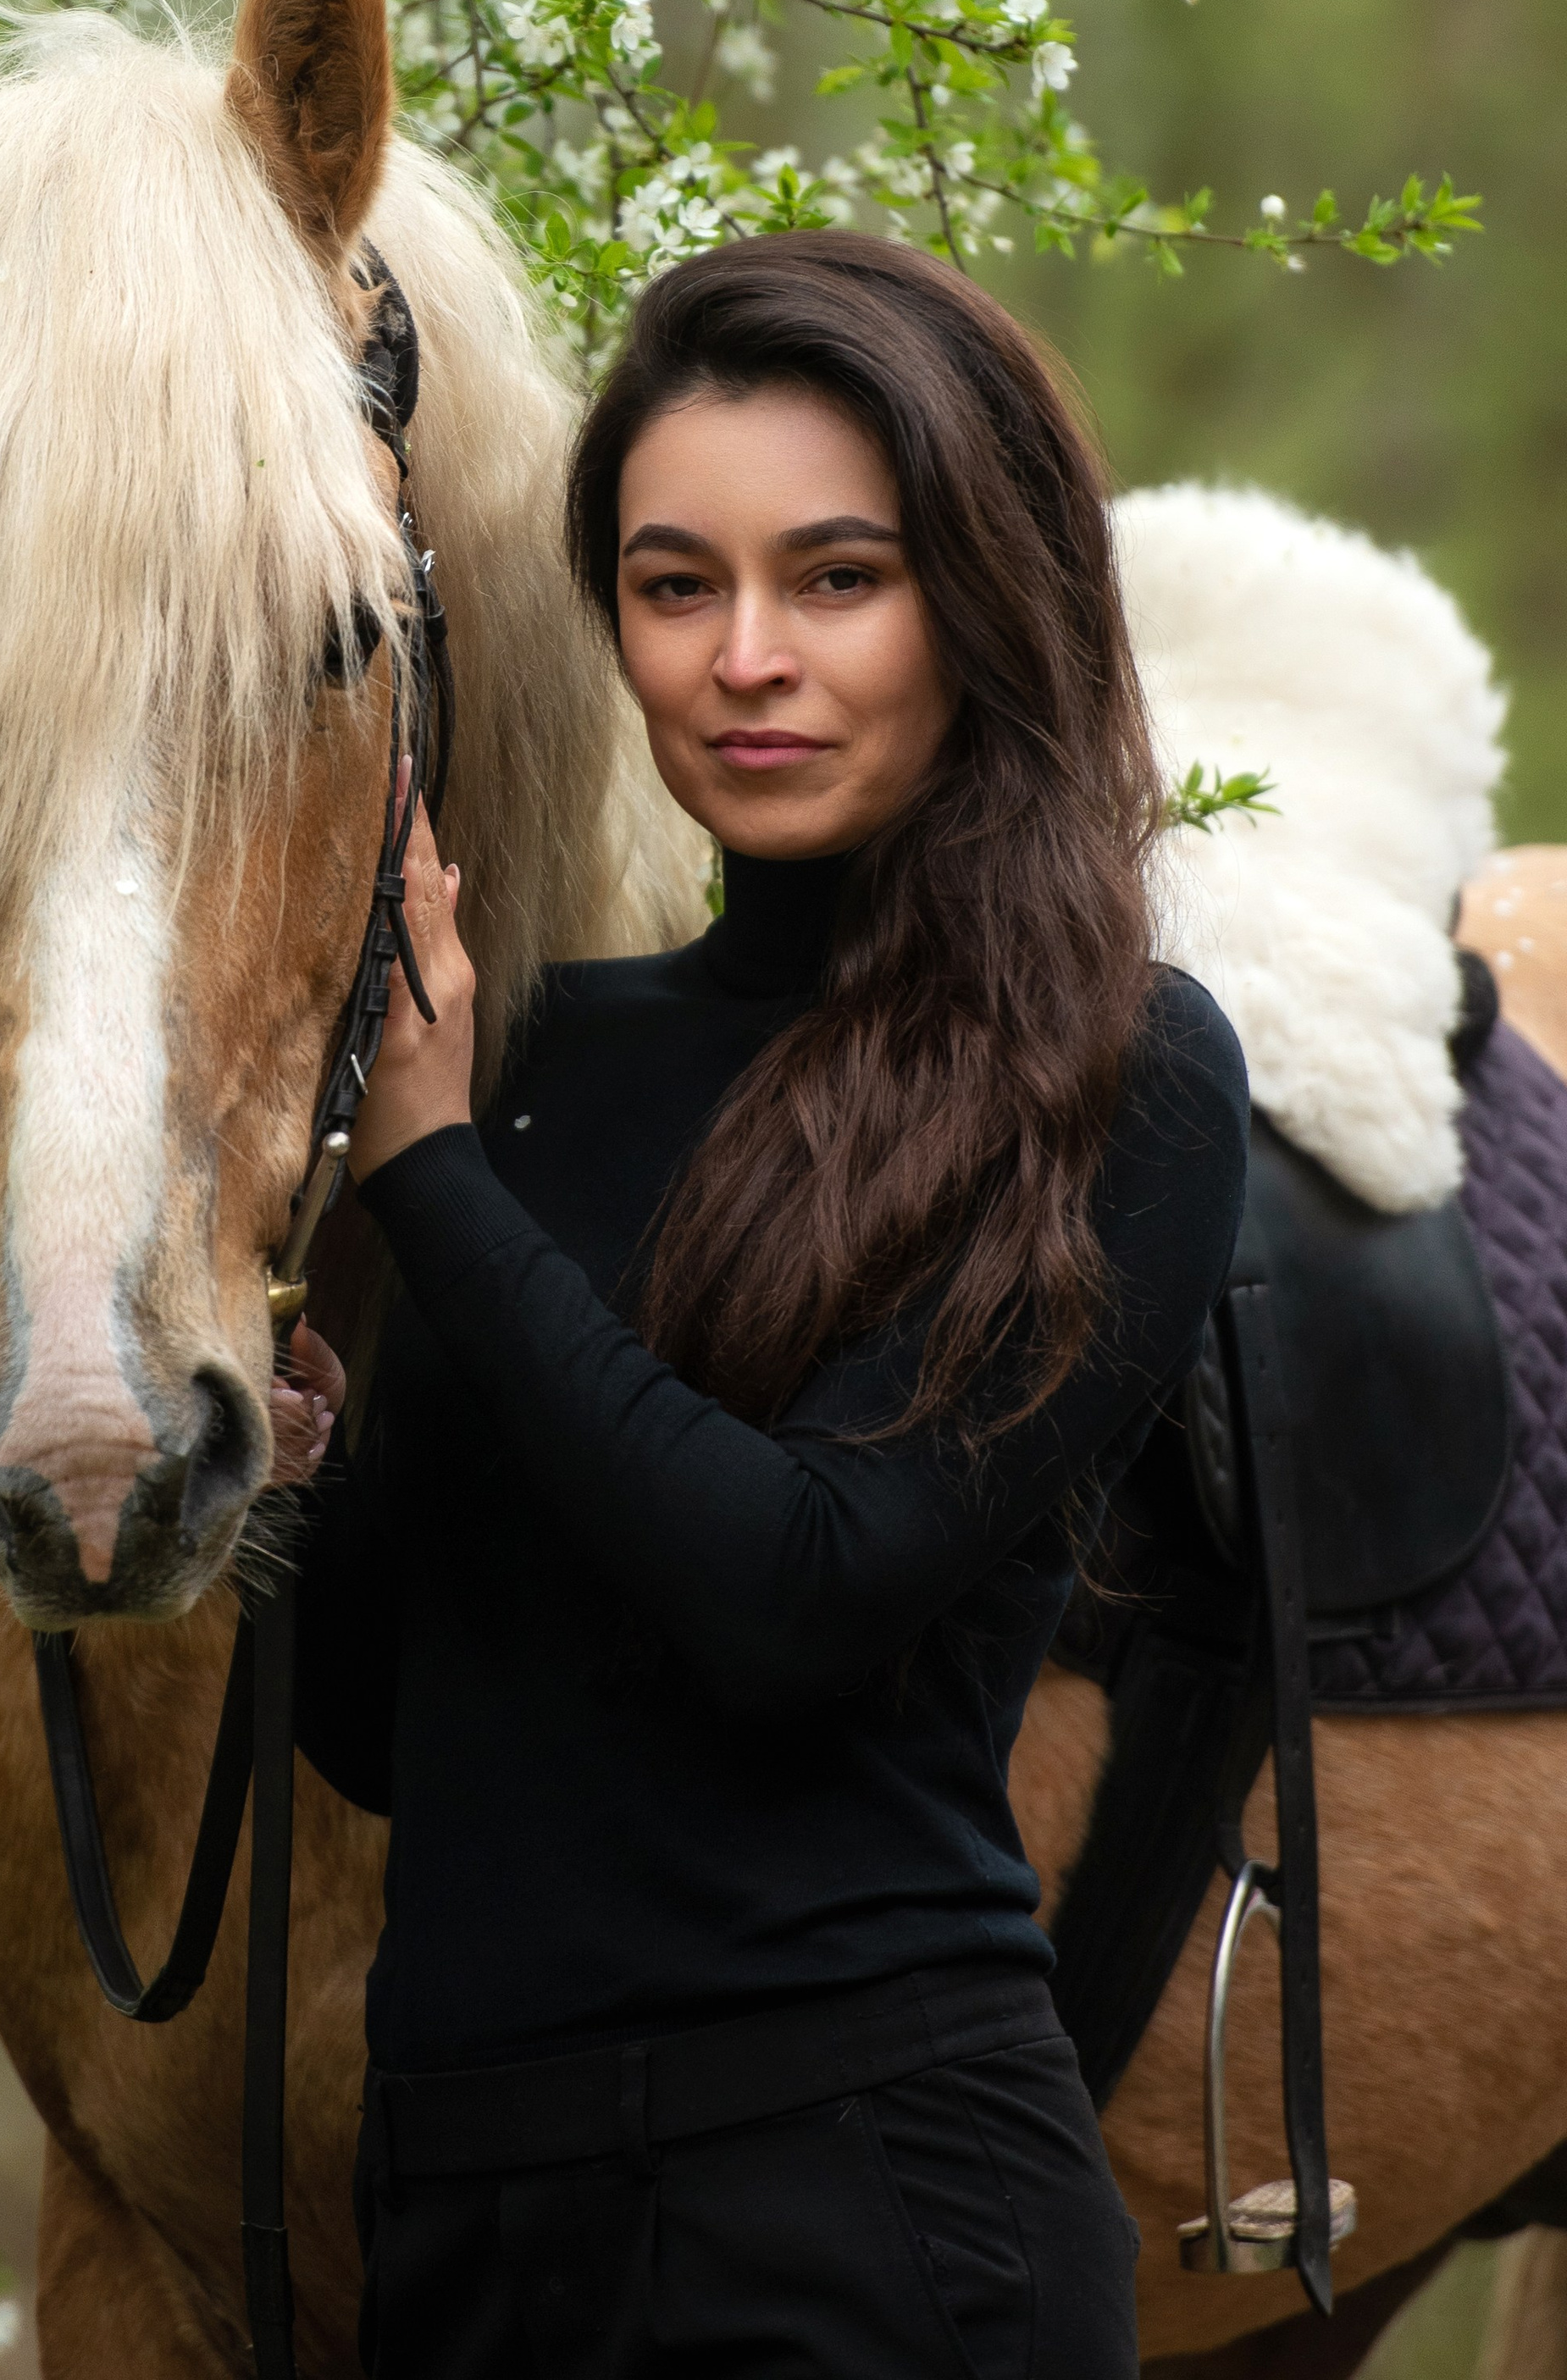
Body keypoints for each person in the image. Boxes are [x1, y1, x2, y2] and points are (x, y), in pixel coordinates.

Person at [271, 233, 1248, 2379]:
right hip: (457, 2218)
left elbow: (799, 1589)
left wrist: (431, 1182)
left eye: (834, 577)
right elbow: (377, 1728)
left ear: (980, 602)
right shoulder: (519, 1059)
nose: (744, 660)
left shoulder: (1111, 1072)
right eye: (672, 583)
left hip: (858, 2207)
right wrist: (303, 1439)